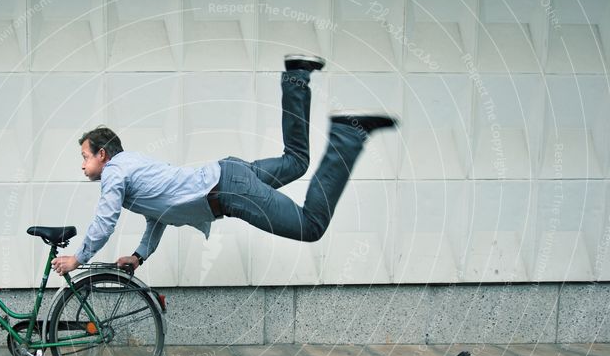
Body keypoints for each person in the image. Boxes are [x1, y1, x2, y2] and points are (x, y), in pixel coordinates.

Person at [51, 54, 397, 276]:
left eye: (85, 156)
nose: (82, 165)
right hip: (229, 174)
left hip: (230, 189)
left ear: (103, 155)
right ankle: (296, 76)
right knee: (296, 162)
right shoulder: (133, 168)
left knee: (311, 226)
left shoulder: (115, 173)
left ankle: (347, 136)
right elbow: (160, 215)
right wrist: (139, 256)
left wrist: (78, 258)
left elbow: (105, 220)